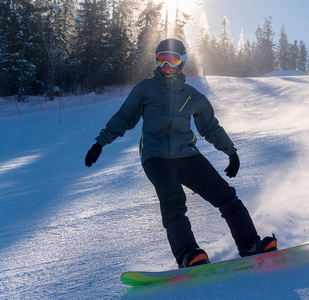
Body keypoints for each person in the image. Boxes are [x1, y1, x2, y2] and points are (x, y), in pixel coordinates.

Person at [85, 38, 277, 268]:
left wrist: (231, 152)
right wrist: (100, 143)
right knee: (173, 199)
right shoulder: (146, 88)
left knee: (225, 196)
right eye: (161, 60)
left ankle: (250, 244)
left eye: (172, 60)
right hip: (155, 156)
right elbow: (125, 117)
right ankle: (188, 253)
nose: (166, 66)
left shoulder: (192, 95)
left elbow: (210, 127)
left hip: (186, 154)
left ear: (182, 62)